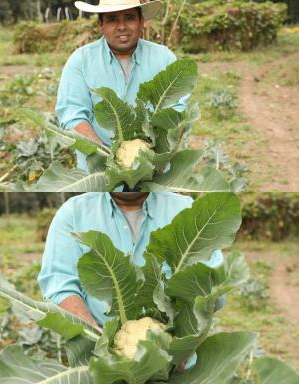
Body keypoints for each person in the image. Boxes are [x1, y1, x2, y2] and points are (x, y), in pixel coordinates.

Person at [38, 192, 223, 329]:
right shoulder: (74, 213)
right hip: (95, 356)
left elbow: (212, 286)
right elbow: (59, 283)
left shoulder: (185, 209)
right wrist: (96, 339)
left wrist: (181, 345)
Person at [56, 0, 188, 171]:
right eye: (112, 19)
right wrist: (105, 156)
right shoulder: (81, 60)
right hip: (98, 170)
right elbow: (72, 114)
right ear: (101, 25)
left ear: (141, 23)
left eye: (129, 18)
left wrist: (157, 159)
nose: (122, 26)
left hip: (158, 170)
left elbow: (177, 112)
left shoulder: (164, 58)